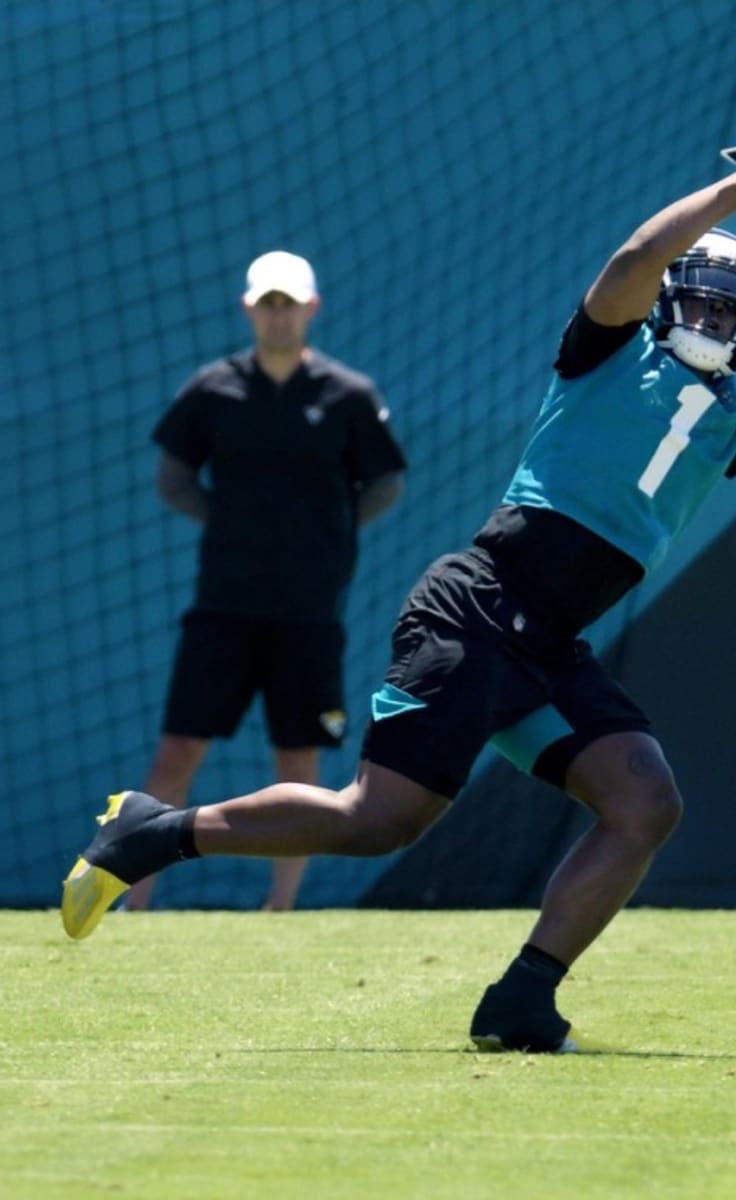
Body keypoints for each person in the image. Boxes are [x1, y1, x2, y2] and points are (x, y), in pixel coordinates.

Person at [63, 169, 736, 1053]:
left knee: (645, 802)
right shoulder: (606, 353)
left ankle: (522, 1000)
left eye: (734, 315)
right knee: (376, 821)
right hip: (480, 611)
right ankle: (155, 831)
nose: (715, 325)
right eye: (708, 305)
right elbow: (637, 256)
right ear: (672, 300)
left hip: (553, 648)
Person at [125, 249, 406, 913]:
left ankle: (280, 911)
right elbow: (174, 477)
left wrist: (326, 537)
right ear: (249, 309)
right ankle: (135, 904)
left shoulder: (349, 396)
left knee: (298, 758)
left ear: (311, 309)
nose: (278, 316)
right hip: (223, 604)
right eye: (267, 304)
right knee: (176, 753)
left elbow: (386, 482)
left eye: (289, 304)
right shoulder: (211, 390)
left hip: (309, 612)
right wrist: (226, 524)